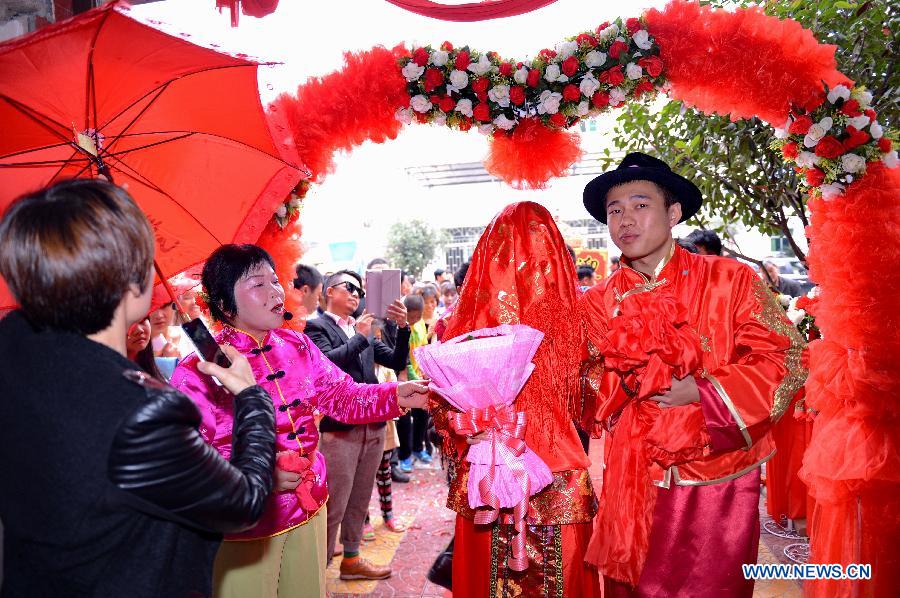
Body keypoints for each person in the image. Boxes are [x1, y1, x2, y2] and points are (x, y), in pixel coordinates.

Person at [0, 179, 277, 597]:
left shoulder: (12, 346)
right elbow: (245, 502)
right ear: (133, 282)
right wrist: (253, 399)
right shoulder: (141, 415)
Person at [580, 152, 807, 596]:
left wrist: (705, 392)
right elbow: (586, 384)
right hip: (633, 480)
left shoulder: (731, 280)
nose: (626, 220)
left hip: (716, 481)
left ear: (674, 212)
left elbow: (786, 360)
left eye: (641, 205)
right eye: (615, 210)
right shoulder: (598, 302)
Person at [170, 248, 427, 596]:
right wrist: (257, 474)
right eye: (258, 284)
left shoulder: (298, 345)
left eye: (275, 280)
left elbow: (345, 396)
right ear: (225, 303)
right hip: (246, 524)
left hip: (310, 501)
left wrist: (397, 394)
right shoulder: (199, 370)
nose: (276, 291)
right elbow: (187, 460)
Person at [431, 202, 601, 597]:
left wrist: (471, 426)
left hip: (487, 477)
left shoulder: (466, 330)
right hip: (558, 472)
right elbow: (598, 400)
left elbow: (443, 412)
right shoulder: (578, 325)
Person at [303, 270, 413, 581]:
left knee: (360, 498)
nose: (355, 294)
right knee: (334, 502)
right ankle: (316, 574)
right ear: (328, 292)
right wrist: (361, 337)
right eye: (348, 288)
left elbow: (394, 360)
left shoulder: (358, 328)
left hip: (373, 424)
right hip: (340, 430)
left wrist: (403, 327)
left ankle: (351, 559)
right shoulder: (315, 327)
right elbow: (325, 366)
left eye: (358, 289)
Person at [397, 293, 431, 473]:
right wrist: (414, 378)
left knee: (422, 416)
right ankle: (405, 455)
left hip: (418, 377)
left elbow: (423, 349)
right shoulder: (400, 328)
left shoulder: (419, 326)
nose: (415, 320)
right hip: (404, 379)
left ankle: (418, 448)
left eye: (418, 317)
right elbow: (404, 360)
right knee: (404, 420)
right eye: (412, 317)